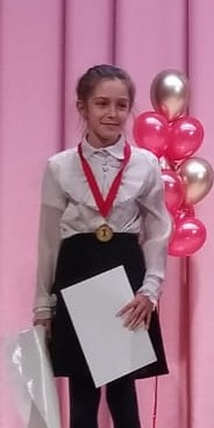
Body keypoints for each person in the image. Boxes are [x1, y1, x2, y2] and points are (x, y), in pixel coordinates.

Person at [34, 64, 171, 428]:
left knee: (123, 390)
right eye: (102, 104)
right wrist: (43, 304)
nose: (112, 113)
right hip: (76, 273)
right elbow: (48, 239)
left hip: (125, 275)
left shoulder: (145, 164)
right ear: (83, 107)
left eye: (121, 105)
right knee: (82, 392)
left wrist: (150, 289)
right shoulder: (59, 167)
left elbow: (158, 230)